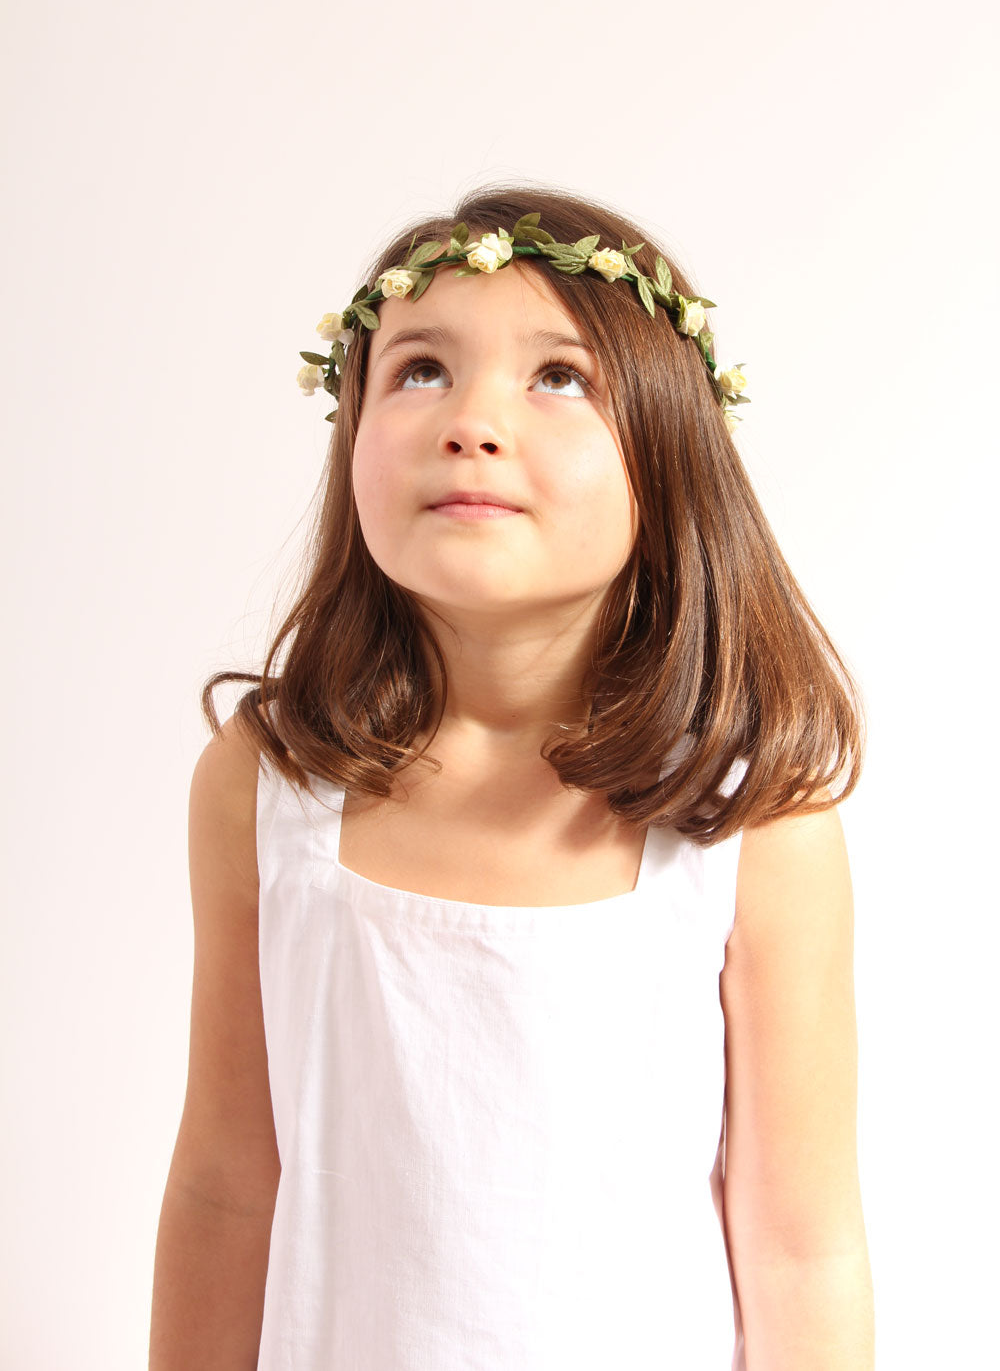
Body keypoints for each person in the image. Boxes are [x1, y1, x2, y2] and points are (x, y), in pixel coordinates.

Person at [149, 183, 875, 1370]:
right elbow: (230, 1181)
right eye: (420, 369)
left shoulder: (748, 823)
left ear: (669, 452)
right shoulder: (264, 787)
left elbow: (801, 1247)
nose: (472, 421)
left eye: (559, 377)